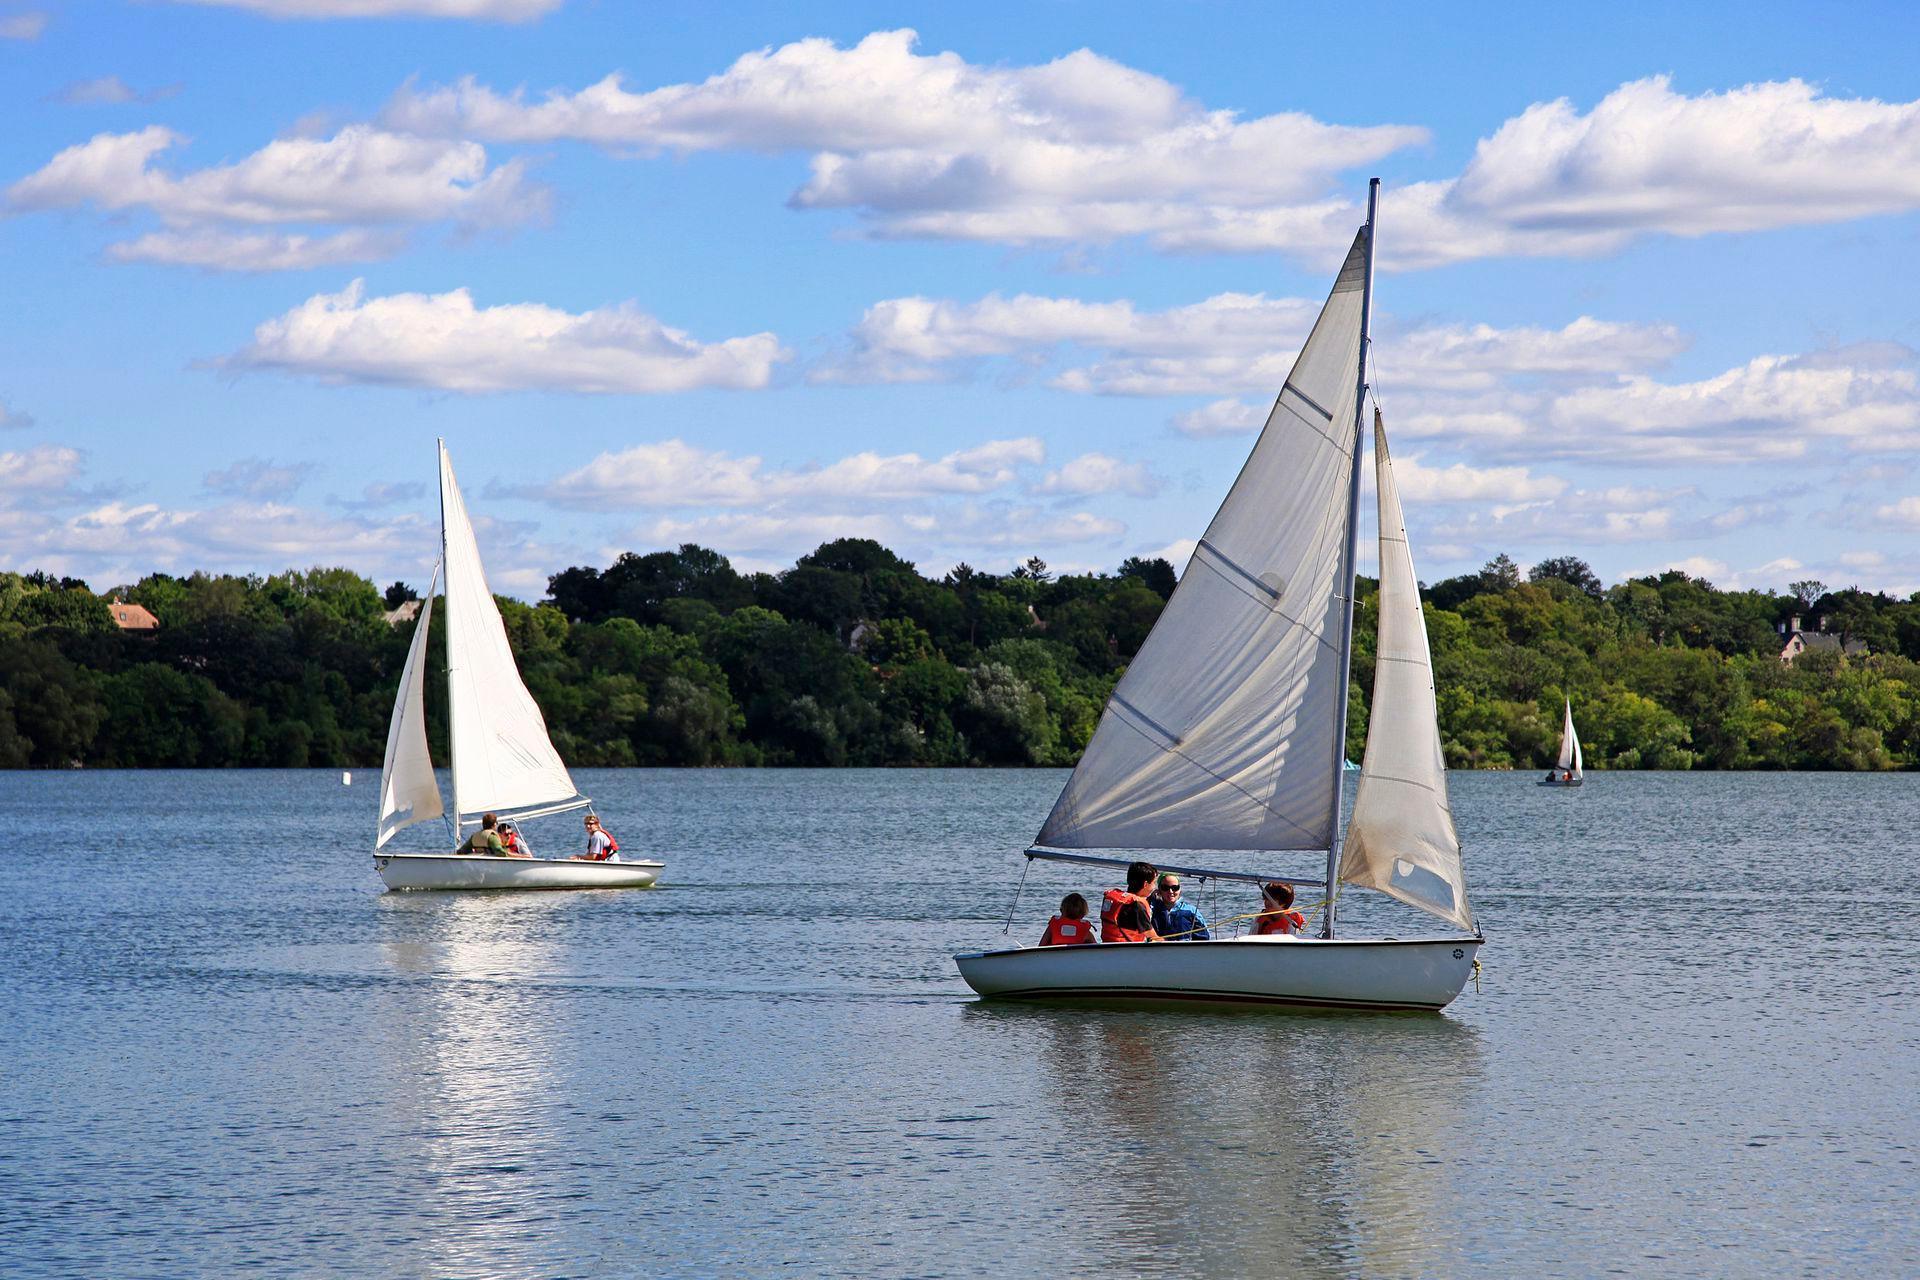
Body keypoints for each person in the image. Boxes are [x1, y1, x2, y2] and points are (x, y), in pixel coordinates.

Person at [1101, 860, 1159, 942]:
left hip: (1107, 944)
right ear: (1145, 884)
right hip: (1128, 948)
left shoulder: (1115, 900)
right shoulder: (1137, 905)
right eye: (1154, 883)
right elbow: (1153, 936)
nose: (1154, 887)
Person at [1152, 873, 1210, 941]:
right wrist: (1151, 898)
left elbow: (1204, 936)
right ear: (1159, 890)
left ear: (1180, 890)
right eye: (1165, 888)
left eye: (1175, 888)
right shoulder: (1152, 910)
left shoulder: (1191, 911)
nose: (1170, 891)